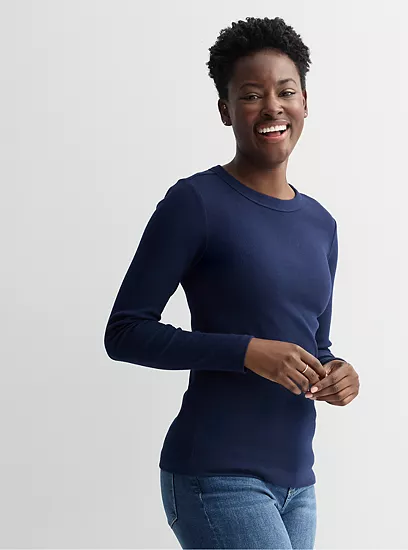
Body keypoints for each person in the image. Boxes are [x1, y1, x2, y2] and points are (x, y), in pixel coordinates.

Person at [104, 15, 360, 549]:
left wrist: (337, 373)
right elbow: (125, 332)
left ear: (305, 102)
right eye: (251, 95)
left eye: (285, 91)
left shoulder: (321, 224)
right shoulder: (195, 203)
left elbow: (314, 344)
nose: (272, 107)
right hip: (215, 474)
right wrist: (245, 352)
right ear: (225, 110)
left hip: (298, 483)